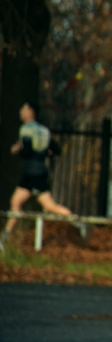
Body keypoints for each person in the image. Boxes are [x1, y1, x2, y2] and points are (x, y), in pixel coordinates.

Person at [1, 101, 83, 252]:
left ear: (31, 112)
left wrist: (17, 149)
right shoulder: (44, 130)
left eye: (24, 108)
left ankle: (79, 223)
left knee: (42, 205)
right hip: (39, 171)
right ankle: (4, 237)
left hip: (32, 172)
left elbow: (27, 152)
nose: (21, 111)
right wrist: (46, 153)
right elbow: (56, 150)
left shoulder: (26, 129)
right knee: (19, 202)